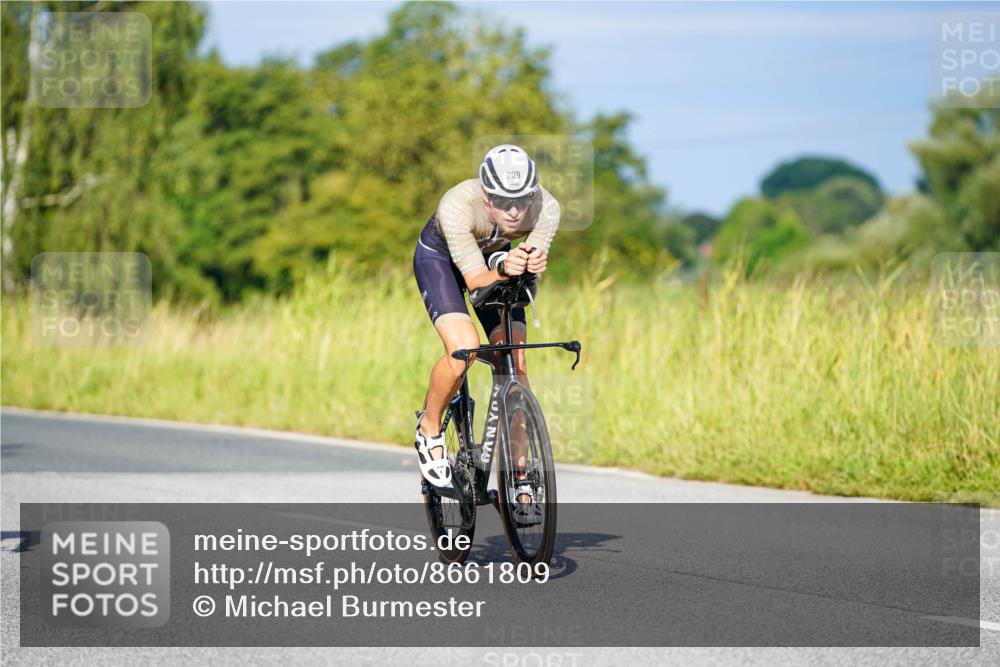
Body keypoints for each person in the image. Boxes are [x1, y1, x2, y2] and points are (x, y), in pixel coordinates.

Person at [412, 144, 560, 522]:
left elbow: (526, 274)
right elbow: (477, 280)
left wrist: (528, 264)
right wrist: (506, 268)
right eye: (502, 201)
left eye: (522, 200)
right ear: (485, 195)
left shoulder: (547, 208)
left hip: (495, 260)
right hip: (443, 262)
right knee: (464, 348)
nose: (514, 211)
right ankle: (429, 429)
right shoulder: (457, 205)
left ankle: (520, 472)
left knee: (516, 361)